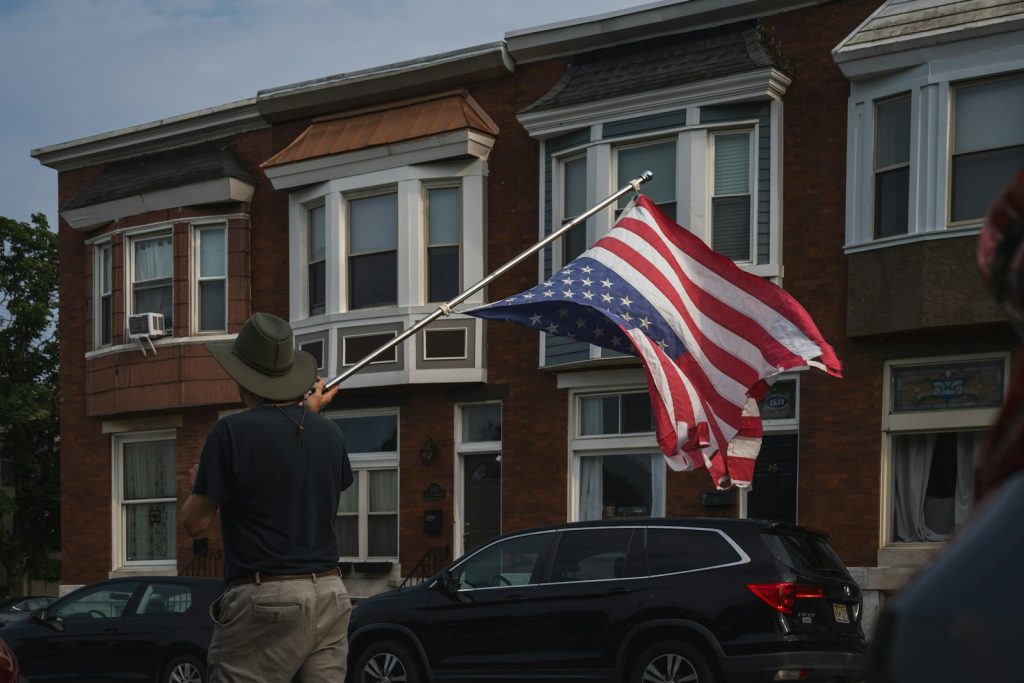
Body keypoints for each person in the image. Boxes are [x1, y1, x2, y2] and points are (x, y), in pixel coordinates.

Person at [182, 312, 353, 683]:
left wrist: (202, 485)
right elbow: (295, 474)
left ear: (242, 378)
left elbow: (195, 524)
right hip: (330, 594)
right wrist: (306, 415)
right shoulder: (331, 434)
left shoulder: (229, 432)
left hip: (266, 597)